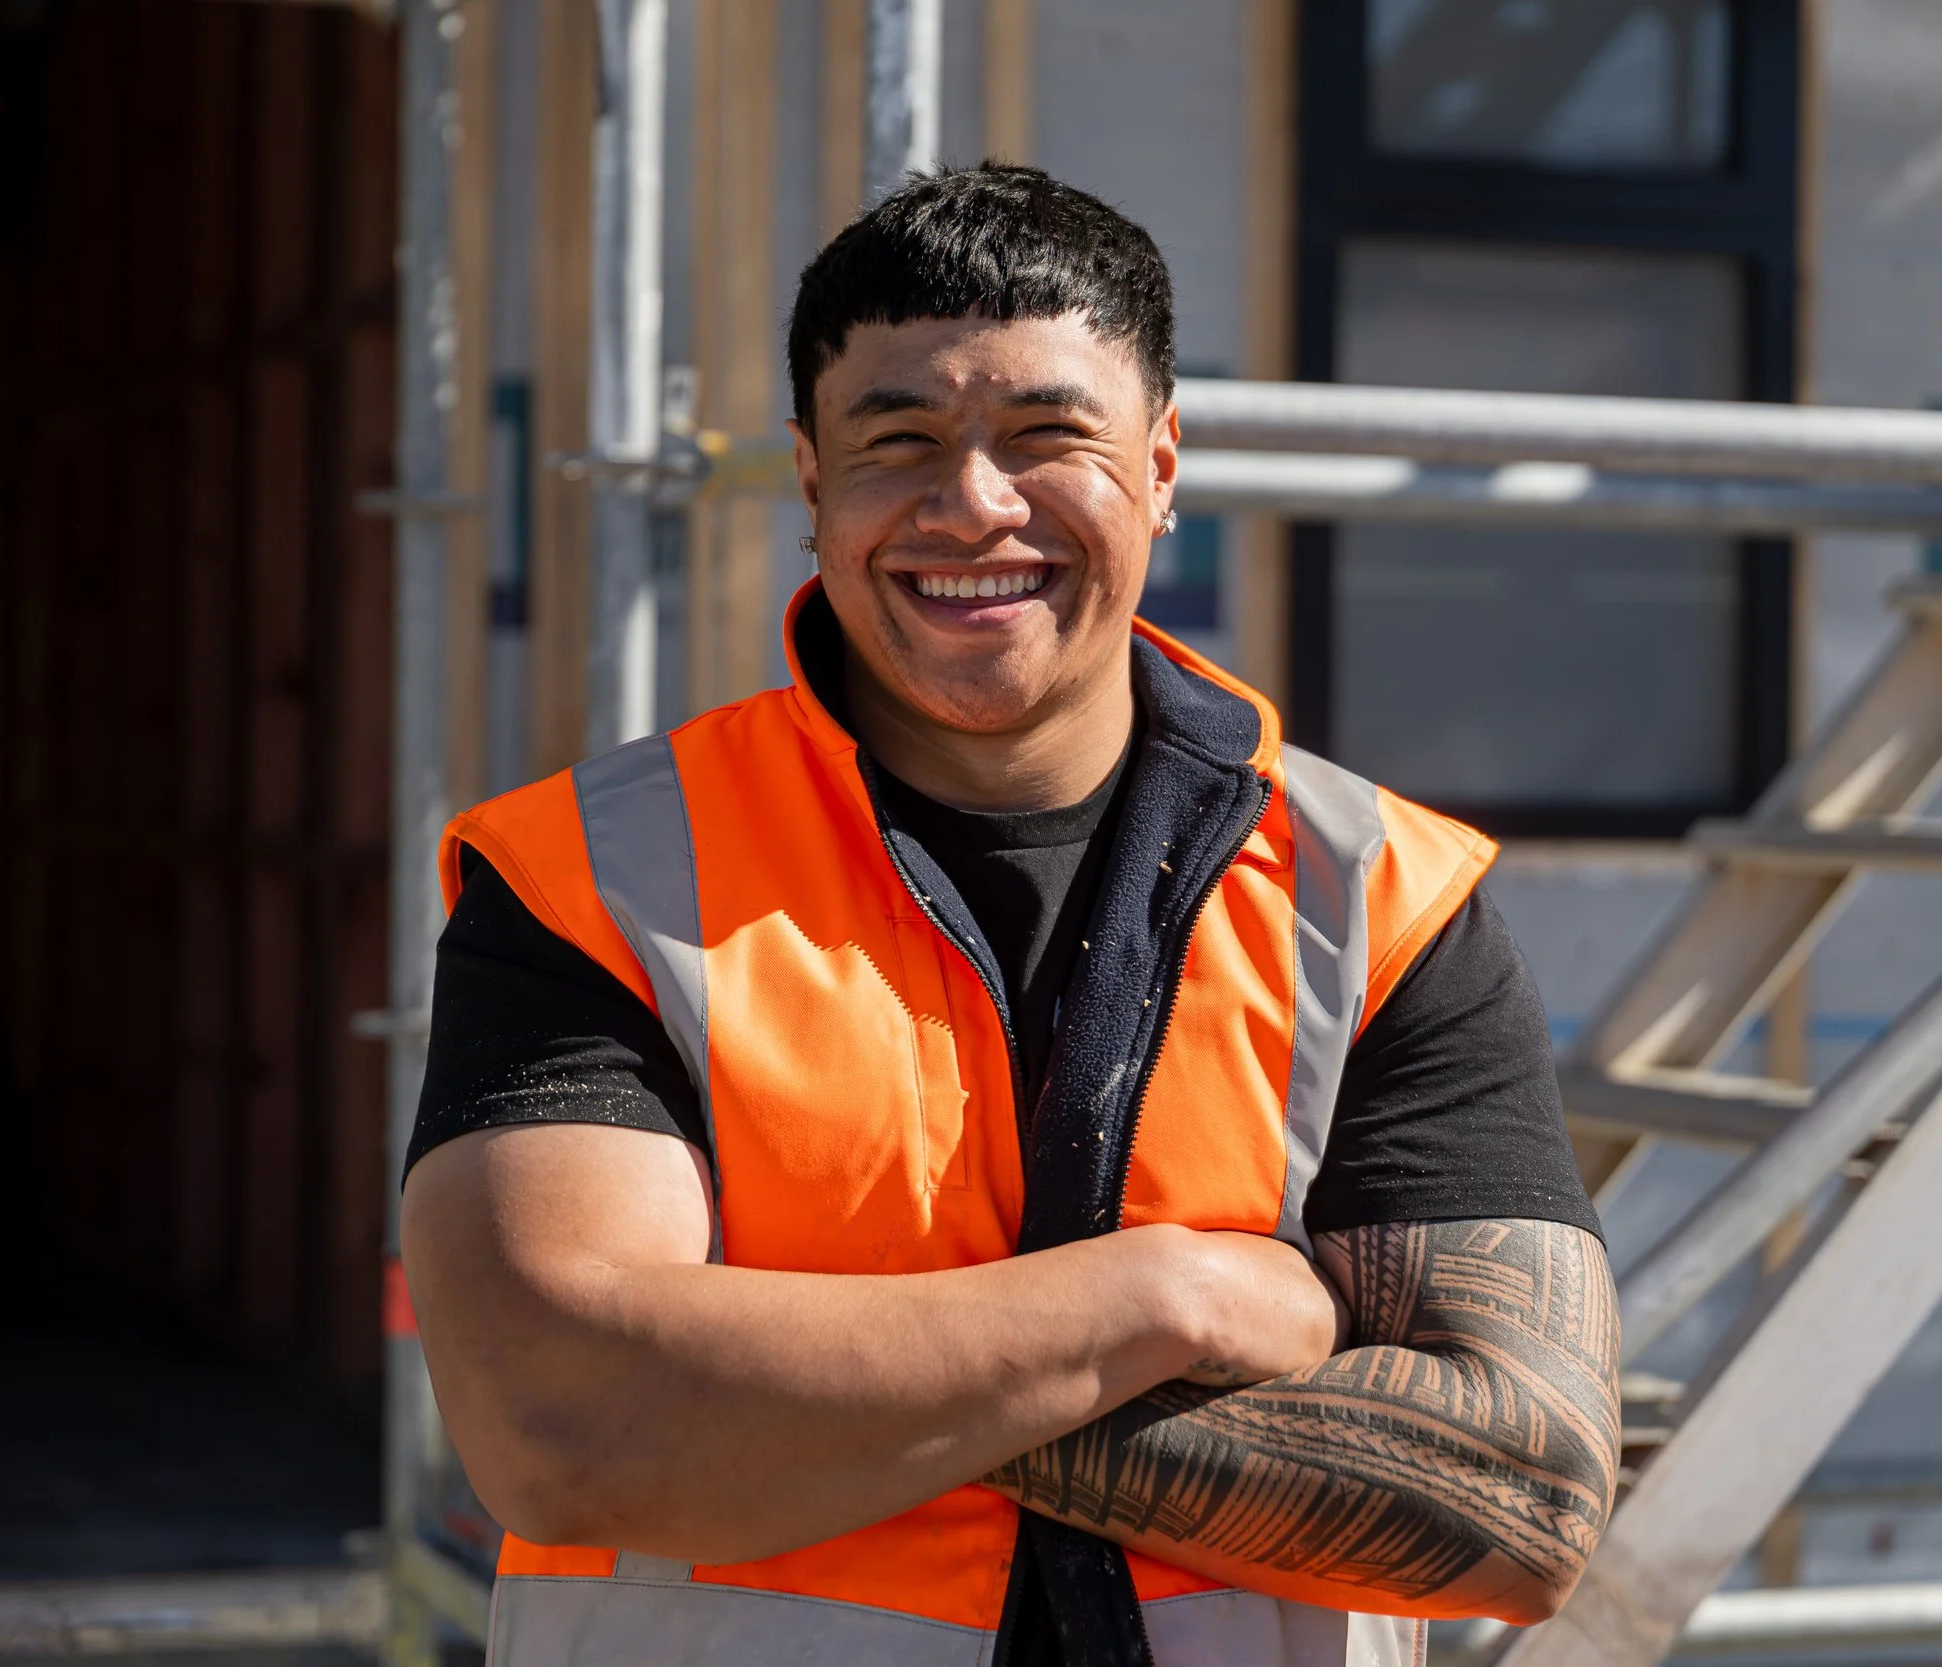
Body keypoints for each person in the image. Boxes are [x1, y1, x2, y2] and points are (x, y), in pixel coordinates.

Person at [400, 163, 1621, 1667]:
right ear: (811, 483)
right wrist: (1166, 1294)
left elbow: (1524, 1503)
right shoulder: (592, 881)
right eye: (897, 437)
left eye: (1050, 436)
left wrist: (791, 1383)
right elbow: (560, 1422)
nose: (972, 502)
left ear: (1164, 466)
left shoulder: (1377, 896)